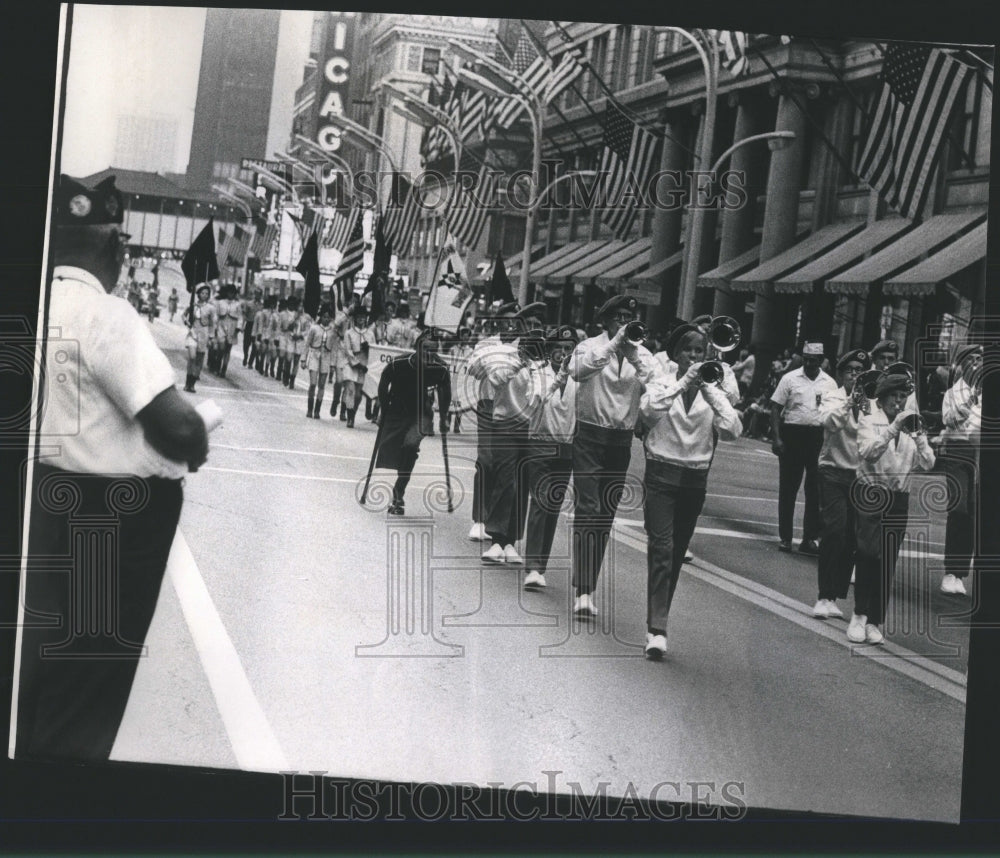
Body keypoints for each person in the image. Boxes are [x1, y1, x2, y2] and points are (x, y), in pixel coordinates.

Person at [16, 174, 209, 761]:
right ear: (115, 250)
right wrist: (199, 436)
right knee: (89, 687)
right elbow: (175, 426)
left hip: (35, 502)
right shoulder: (108, 316)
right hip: (105, 524)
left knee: (35, 679)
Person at [638, 323, 743, 657]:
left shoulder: (715, 388)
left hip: (694, 478)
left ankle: (657, 618)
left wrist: (710, 389)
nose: (695, 358)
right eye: (689, 351)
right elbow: (648, 412)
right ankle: (657, 629)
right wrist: (683, 383)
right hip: (661, 474)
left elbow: (733, 429)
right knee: (662, 549)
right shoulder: (662, 382)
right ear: (677, 354)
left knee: (676, 553)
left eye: (700, 352)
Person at [567, 295, 656, 617]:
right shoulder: (589, 346)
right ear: (605, 321)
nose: (623, 322)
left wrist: (633, 353)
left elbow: (657, 386)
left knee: (604, 514)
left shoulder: (642, 353)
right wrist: (613, 344)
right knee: (587, 507)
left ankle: (589, 584)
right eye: (617, 317)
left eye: (627, 317)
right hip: (590, 434)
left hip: (620, 440)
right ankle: (583, 589)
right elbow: (577, 372)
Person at [849, 373, 935, 644]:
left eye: (903, 397)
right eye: (894, 397)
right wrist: (892, 429)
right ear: (883, 398)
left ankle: (875, 620)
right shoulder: (869, 420)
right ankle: (859, 615)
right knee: (867, 551)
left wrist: (919, 436)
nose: (899, 402)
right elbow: (867, 452)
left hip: (899, 497)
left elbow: (929, 463)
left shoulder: (912, 427)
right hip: (871, 491)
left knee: (887, 559)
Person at [480, 305, 549, 565]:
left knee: (522, 484)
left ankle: (511, 540)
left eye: (538, 323)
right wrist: (521, 358)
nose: (533, 327)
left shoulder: (546, 356)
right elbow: (495, 379)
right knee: (505, 478)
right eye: (528, 322)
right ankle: (497, 538)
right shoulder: (505, 351)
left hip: (533, 427)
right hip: (506, 422)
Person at [813, 348, 870, 619]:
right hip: (833, 471)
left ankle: (833, 596)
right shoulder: (832, 395)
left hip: (859, 476)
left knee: (851, 538)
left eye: (860, 372)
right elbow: (829, 422)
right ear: (842, 373)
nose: (855, 376)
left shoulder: (872, 403)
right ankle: (823, 595)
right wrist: (849, 403)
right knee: (834, 531)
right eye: (851, 371)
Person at [523, 326, 579, 590]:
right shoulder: (538, 373)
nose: (564, 354)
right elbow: (535, 400)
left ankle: (540, 565)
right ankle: (532, 565)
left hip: (565, 446)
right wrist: (558, 378)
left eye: (569, 350)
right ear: (550, 350)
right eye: (559, 348)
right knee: (540, 501)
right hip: (540, 443)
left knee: (553, 506)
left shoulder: (579, 380)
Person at [769, 342, 837, 554]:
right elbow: (775, 408)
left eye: (813, 360)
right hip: (793, 435)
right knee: (788, 488)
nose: (809, 363)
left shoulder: (830, 383)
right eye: (806, 359)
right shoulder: (789, 378)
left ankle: (809, 538)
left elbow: (835, 414)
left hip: (817, 437)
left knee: (815, 490)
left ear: (821, 360)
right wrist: (777, 438)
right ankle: (786, 537)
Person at [375, 330, 452, 515]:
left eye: (433, 351)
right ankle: (400, 480)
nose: (429, 355)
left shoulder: (440, 369)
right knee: (393, 450)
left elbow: (445, 394)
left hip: (421, 414)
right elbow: (384, 383)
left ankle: (399, 491)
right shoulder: (399, 363)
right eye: (425, 349)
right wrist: (383, 409)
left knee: (410, 446)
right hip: (398, 410)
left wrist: (444, 418)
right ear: (417, 347)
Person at [465, 304, 520, 542]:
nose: (510, 325)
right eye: (506, 320)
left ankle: (496, 523)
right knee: (486, 460)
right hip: (489, 405)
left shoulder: (525, 346)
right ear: (497, 322)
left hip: (515, 409)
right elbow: (474, 371)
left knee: (506, 468)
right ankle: (479, 518)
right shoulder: (486, 344)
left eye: (515, 321)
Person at [937, 343, 982, 596]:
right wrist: (969, 403)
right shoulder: (952, 393)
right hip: (956, 451)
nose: (976, 363)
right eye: (971, 358)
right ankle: (950, 572)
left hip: (980, 454)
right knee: (959, 508)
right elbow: (948, 420)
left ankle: (960, 573)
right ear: (962, 363)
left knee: (975, 513)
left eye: (979, 358)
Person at [301, 304, 335, 419]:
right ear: (321, 317)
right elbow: (306, 345)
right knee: (313, 383)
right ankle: (309, 408)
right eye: (324, 317)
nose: (326, 319)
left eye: (328, 317)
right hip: (314, 355)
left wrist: (332, 365)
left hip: (326, 357)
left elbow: (334, 349)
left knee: (321, 385)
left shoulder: (332, 331)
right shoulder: (314, 328)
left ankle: (317, 410)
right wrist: (303, 359)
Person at [340, 305, 371, 428]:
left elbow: (374, 350)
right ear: (355, 319)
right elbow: (347, 350)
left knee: (358, 395)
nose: (361, 320)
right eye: (359, 317)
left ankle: (353, 413)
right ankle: (350, 418)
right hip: (351, 364)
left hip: (364, 365)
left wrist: (369, 349)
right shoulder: (349, 333)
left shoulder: (370, 334)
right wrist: (356, 363)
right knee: (351, 390)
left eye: (363, 317)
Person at [183, 282, 217, 393]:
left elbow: (213, 323)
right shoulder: (193, 305)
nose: (204, 295)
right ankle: (187, 381)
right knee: (192, 357)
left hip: (204, 334)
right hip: (193, 333)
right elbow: (184, 314)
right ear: (198, 294)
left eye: (206, 293)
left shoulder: (211, 308)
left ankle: (192, 384)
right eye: (202, 293)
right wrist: (186, 321)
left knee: (199, 360)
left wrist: (211, 337)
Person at [215, 284, 241, 379]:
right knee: (221, 346)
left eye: (233, 293)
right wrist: (215, 327)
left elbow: (240, 317)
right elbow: (216, 315)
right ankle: (218, 363)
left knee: (228, 349)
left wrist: (238, 328)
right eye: (229, 292)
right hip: (222, 325)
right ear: (226, 293)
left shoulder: (237, 304)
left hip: (232, 326)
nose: (231, 295)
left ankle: (224, 368)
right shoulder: (221, 302)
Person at [241, 288, 263, 367]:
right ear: (254, 294)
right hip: (249, 324)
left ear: (261, 295)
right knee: (246, 343)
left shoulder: (262, 306)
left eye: (259, 294)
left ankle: (250, 362)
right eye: (256, 293)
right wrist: (242, 325)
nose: (257, 295)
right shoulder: (249, 303)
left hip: (257, 326)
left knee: (255, 345)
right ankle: (245, 355)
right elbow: (244, 315)